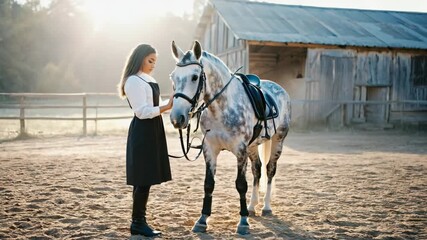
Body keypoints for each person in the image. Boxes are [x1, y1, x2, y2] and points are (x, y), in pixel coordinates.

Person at [118, 43, 174, 237]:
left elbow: (152, 106)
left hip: (153, 129)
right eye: (150, 60)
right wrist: (165, 107)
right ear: (140, 58)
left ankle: (139, 221)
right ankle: (138, 223)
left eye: (155, 62)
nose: (153, 65)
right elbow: (141, 112)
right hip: (143, 130)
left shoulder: (147, 79)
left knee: (146, 179)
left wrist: (171, 102)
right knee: (142, 179)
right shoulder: (133, 81)